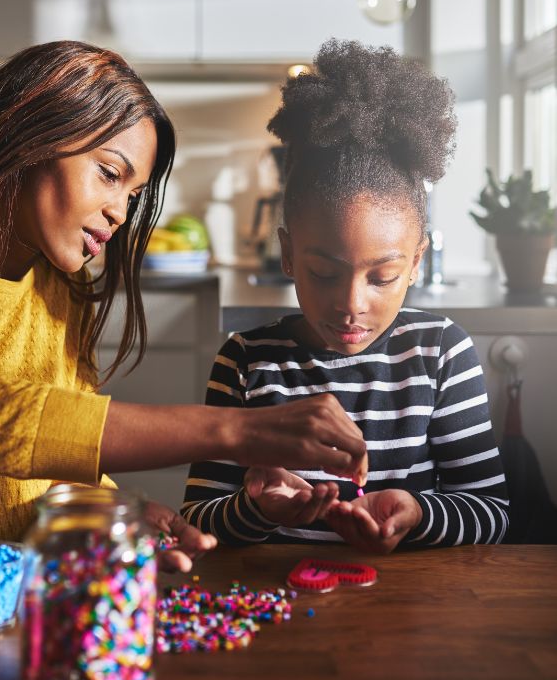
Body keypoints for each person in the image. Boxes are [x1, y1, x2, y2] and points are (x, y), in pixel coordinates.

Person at [0, 40, 367, 571]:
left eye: (132, 194)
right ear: (31, 137)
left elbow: (51, 461)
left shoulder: (62, 290)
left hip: (6, 601)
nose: (121, 212)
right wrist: (238, 431)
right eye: (109, 173)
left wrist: (113, 513)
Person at [182, 39, 509, 553]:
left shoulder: (441, 353)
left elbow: (490, 512)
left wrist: (418, 513)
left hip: (409, 617)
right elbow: (196, 521)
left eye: (381, 277)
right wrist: (255, 508)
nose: (352, 303)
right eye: (323, 273)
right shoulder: (246, 362)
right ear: (288, 254)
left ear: (416, 262)